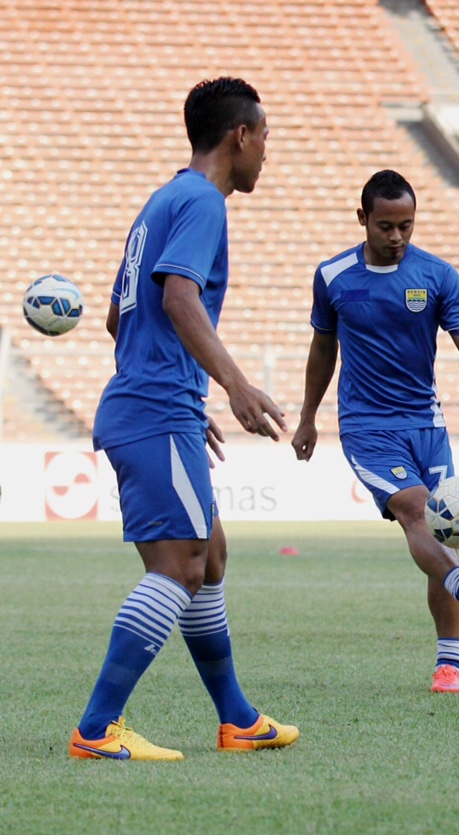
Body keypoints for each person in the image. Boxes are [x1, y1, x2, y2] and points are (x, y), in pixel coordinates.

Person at [71, 77, 298, 761]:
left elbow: (121, 315)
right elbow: (175, 298)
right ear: (240, 135)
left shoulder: (162, 199)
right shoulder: (203, 202)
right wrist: (231, 384)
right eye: (265, 137)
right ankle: (96, 728)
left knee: (211, 555)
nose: (267, 152)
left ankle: (238, 719)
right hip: (153, 408)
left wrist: (176, 388)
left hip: (153, 400)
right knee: (180, 566)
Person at [290, 170, 459, 696]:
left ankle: (449, 663)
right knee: (417, 511)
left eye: (406, 225)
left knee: (443, 529)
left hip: (427, 425)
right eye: (385, 226)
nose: (396, 237)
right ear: (362, 218)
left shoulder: (438, 275)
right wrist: (307, 416)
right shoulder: (334, 276)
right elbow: (323, 349)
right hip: (366, 426)